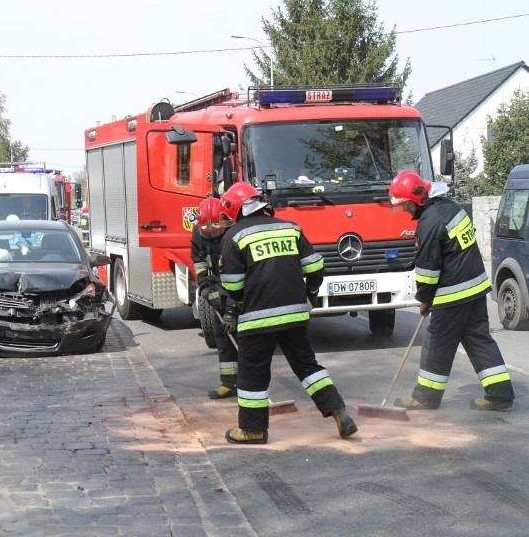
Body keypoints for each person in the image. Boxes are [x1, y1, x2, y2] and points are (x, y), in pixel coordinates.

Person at [218, 182, 357, 444]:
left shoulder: (234, 235)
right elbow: (315, 267)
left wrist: (234, 308)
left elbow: (233, 285)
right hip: (295, 314)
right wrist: (310, 296)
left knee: (252, 371)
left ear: (235, 209)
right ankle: (339, 410)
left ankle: (252, 429)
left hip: (256, 317)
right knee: (307, 366)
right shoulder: (290, 228)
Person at [388, 171, 514, 411]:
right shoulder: (450, 207)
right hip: (475, 287)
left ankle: (425, 397)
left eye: (405, 205)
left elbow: (428, 270)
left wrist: (424, 299)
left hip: (452, 294)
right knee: (479, 339)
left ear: (415, 200)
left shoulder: (430, 223)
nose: (404, 210)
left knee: (437, 342)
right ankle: (500, 394)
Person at [191, 197, 237, 399]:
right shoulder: (198, 232)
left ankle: (251, 383)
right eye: (208, 232)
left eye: (217, 231)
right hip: (217, 283)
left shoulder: (234, 233)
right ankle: (228, 383)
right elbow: (199, 262)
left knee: (243, 335)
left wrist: (232, 308)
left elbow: (241, 272)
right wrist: (207, 289)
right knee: (221, 334)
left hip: (239, 287)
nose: (213, 235)